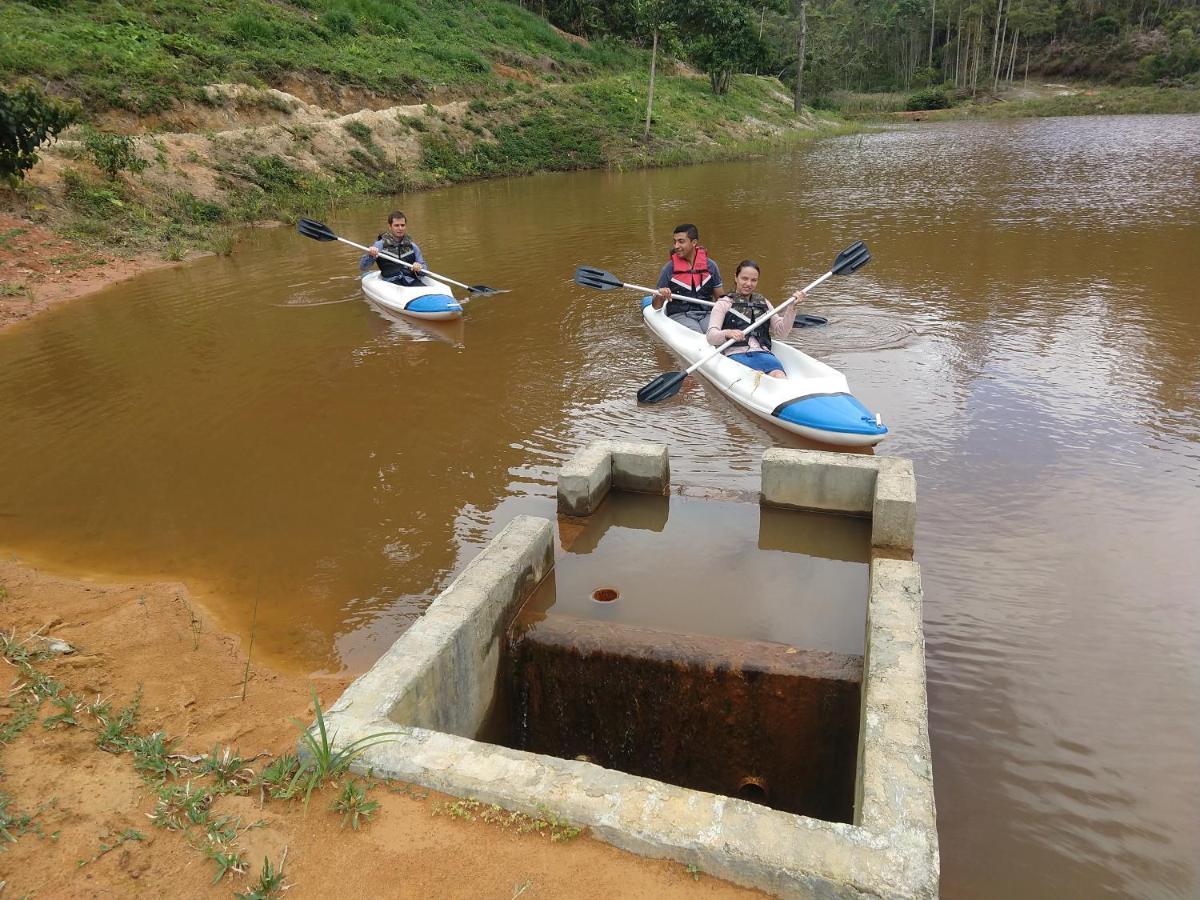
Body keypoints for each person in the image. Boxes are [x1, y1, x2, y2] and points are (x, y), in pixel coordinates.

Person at [705, 259, 805, 379]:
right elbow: (711, 337)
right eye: (744, 278)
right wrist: (728, 333)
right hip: (736, 355)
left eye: (754, 280)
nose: (749, 284)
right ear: (736, 278)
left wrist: (791, 307)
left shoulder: (764, 303)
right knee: (757, 376)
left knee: (779, 375)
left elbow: (781, 332)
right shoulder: (723, 304)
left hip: (763, 354)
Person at [652, 224, 724, 333]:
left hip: (706, 314)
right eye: (675, 241)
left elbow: (721, 300)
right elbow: (656, 306)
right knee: (696, 333)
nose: (676, 246)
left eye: (681, 241)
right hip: (680, 315)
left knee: (715, 334)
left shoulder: (711, 266)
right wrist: (660, 295)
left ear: (694, 242)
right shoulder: (669, 268)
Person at [359, 211, 426, 286]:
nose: (400, 228)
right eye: (396, 225)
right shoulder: (379, 245)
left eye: (402, 225)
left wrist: (420, 267)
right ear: (390, 226)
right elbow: (363, 267)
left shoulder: (413, 246)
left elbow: (424, 271)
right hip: (390, 283)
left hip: (411, 280)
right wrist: (370, 255)